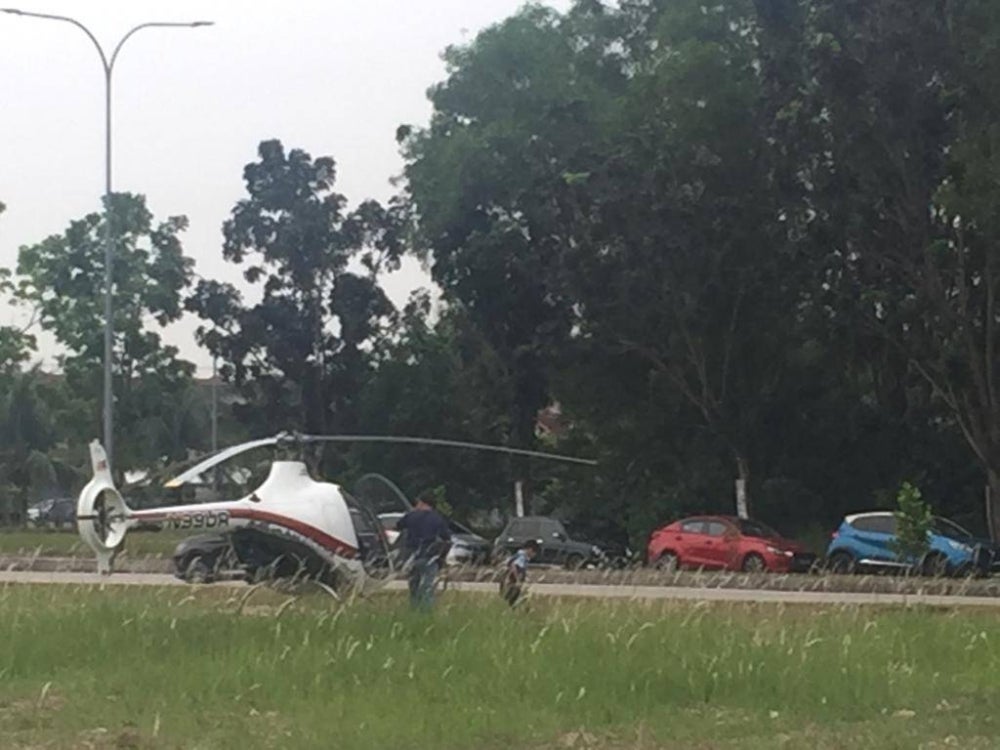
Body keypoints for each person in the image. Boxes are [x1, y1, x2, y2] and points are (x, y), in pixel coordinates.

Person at [396, 492, 452, 610]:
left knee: (413, 586)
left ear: (422, 503)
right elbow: (446, 537)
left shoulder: (411, 516)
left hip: (411, 556)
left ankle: (414, 610)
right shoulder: (437, 519)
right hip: (429, 556)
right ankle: (426, 613)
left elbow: (398, 525)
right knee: (427, 586)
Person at [499, 539, 539, 607]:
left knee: (513, 598)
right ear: (530, 549)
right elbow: (514, 566)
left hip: (511, 582)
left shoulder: (519, 555)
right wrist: (517, 580)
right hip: (512, 582)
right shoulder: (522, 557)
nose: (534, 555)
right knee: (512, 598)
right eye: (534, 553)